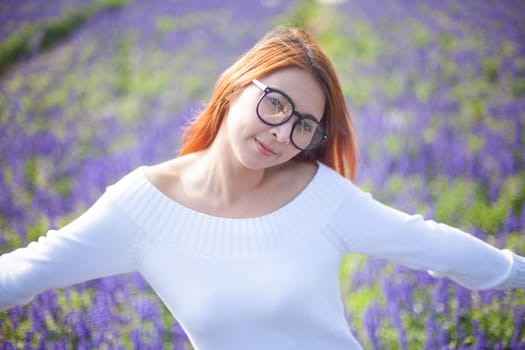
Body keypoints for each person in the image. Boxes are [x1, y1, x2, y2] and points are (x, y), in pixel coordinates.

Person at [1, 26, 524, 349]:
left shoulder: (319, 195)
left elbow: (434, 244)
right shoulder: (142, 207)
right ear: (236, 85)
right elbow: (26, 271)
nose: (281, 133)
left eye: (303, 126)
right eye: (275, 103)